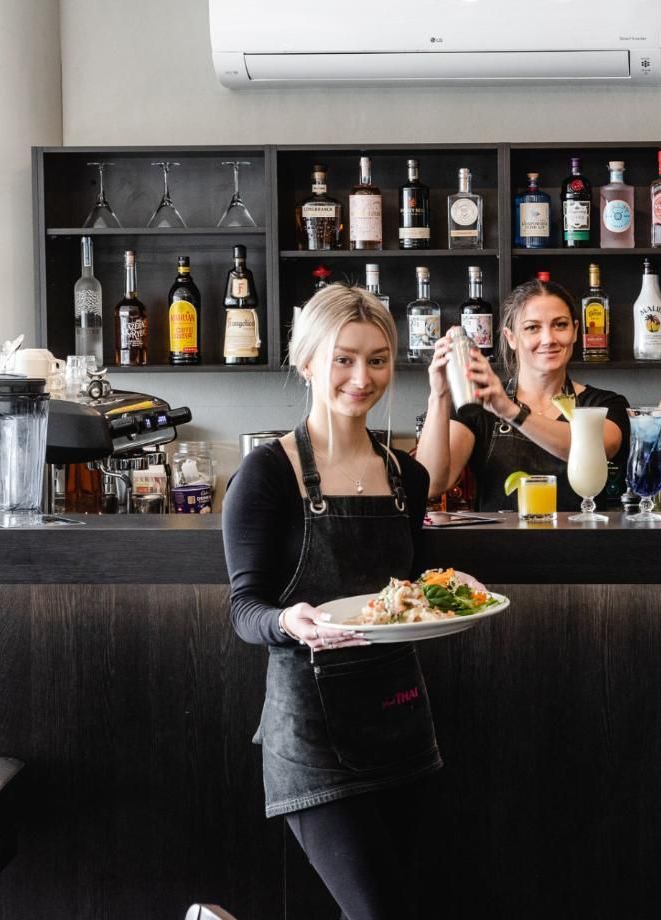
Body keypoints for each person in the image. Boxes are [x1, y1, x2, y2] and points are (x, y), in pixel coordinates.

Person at [223, 284, 443, 920]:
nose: (361, 376)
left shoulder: (408, 475)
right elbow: (245, 609)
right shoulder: (268, 473)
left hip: (402, 718)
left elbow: (413, 590)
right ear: (308, 362)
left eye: (377, 360)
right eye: (344, 358)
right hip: (311, 731)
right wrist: (289, 620)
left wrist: (448, 601)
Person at [417, 278, 630, 512]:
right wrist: (438, 394)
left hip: (582, 546)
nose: (549, 339)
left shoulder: (603, 404)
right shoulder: (481, 406)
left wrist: (511, 412)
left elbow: (596, 448)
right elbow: (432, 484)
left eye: (560, 325)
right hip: (500, 547)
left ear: (576, 331)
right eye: (532, 328)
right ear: (511, 338)